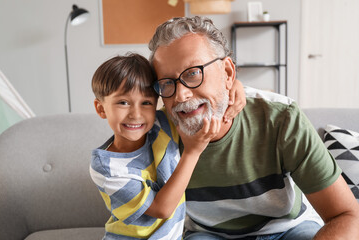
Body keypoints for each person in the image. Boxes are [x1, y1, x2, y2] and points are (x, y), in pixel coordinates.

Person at [148, 16, 359, 239]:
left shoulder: (281, 118)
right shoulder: (157, 132)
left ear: (228, 73)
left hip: (287, 228)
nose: (181, 95)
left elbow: (346, 215)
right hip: (210, 234)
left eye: (192, 73)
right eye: (167, 83)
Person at [89, 53, 243, 239]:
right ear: (101, 108)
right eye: (123, 103)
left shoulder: (161, 124)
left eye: (146, 103)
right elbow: (162, 209)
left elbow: (201, 104)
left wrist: (236, 85)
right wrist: (193, 152)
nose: (136, 114)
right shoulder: (106, 167)